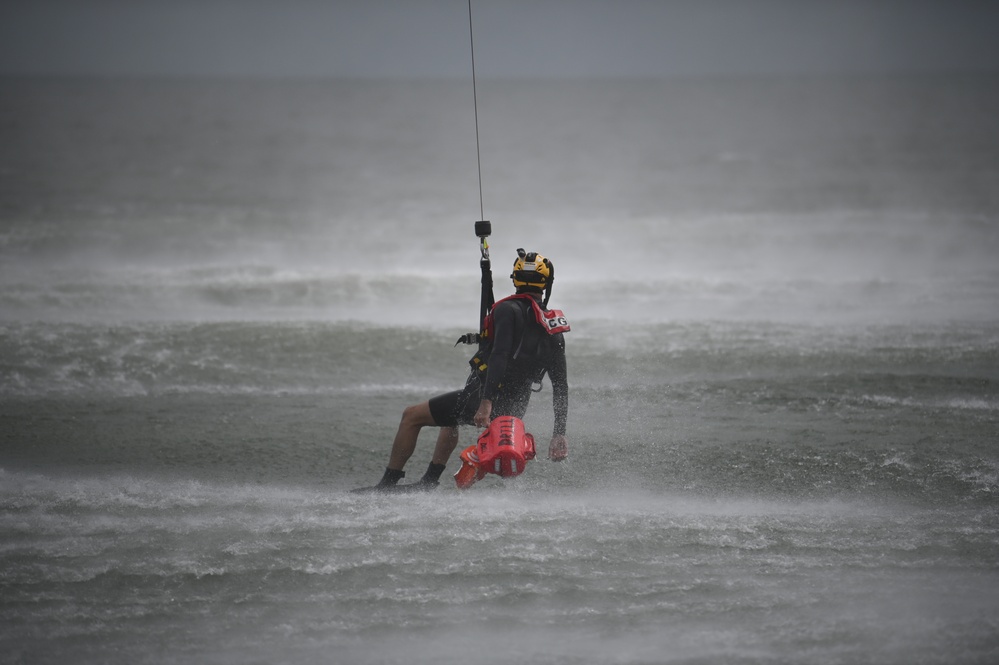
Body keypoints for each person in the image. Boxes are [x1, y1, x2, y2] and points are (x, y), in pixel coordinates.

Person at [355, 249, 569, 492]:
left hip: (485, 396)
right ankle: (429, 481)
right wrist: (559, 433)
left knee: (411, 416)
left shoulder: (506, 311)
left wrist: (486, 403)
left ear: (515, 278)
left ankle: (387, 485)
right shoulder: (552, 325)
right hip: (516, 405)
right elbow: (561, 384)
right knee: (450, 419)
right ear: (546, 283)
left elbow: (499, 356)